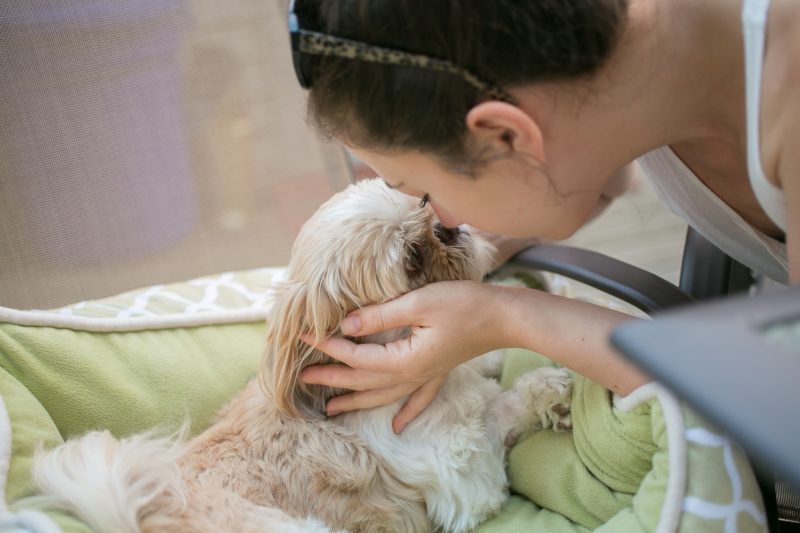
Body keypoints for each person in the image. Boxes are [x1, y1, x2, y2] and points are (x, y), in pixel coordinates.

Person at [289, 0, 798, 433]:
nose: (445, 218)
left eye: (425, 194)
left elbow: (780, 404)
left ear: (506, 136)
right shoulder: (625, 60)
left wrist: (503, 317)